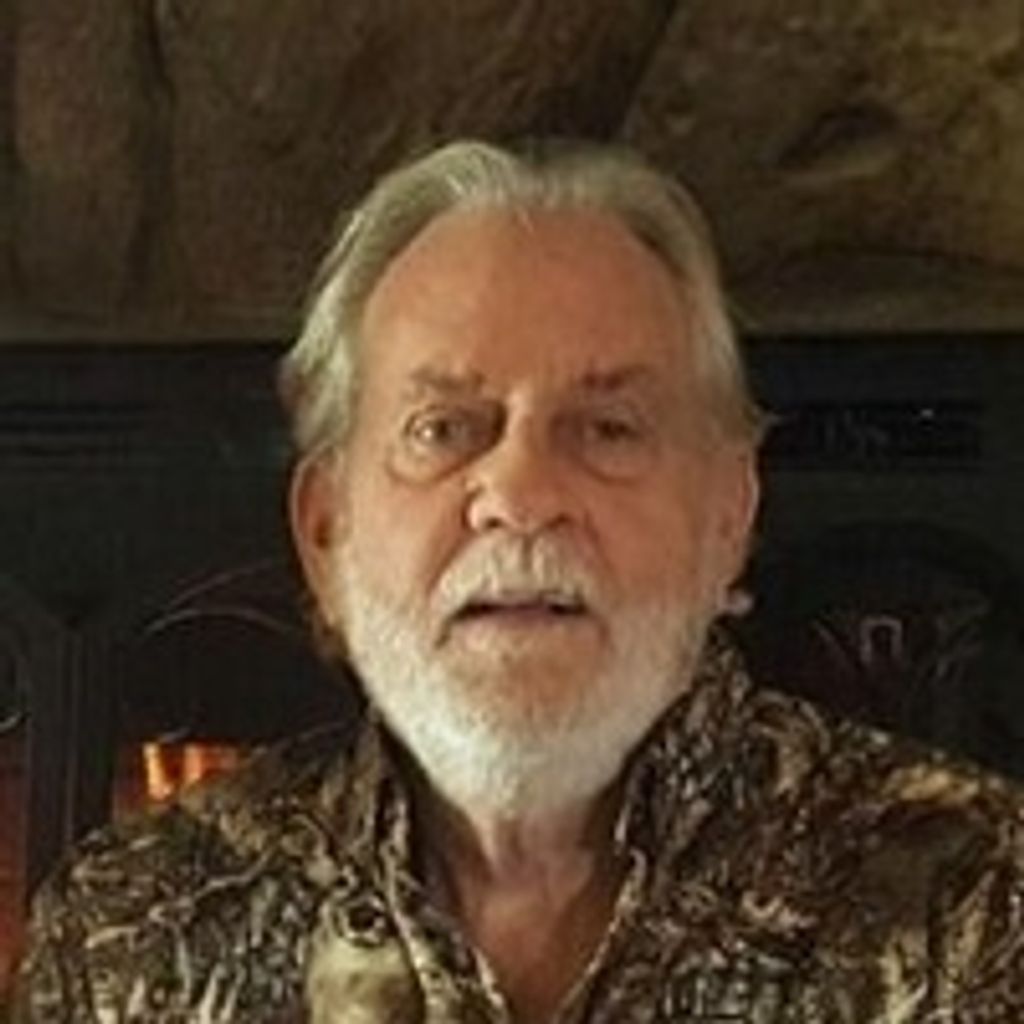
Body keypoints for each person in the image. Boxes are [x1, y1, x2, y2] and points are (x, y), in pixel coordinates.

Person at [12, 139, 1024, 1023]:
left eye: (608, 428)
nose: (521, 494)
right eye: (441, 429)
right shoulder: (133, 931)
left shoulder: (974, 895)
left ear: (728, 517)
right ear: (326, 532)